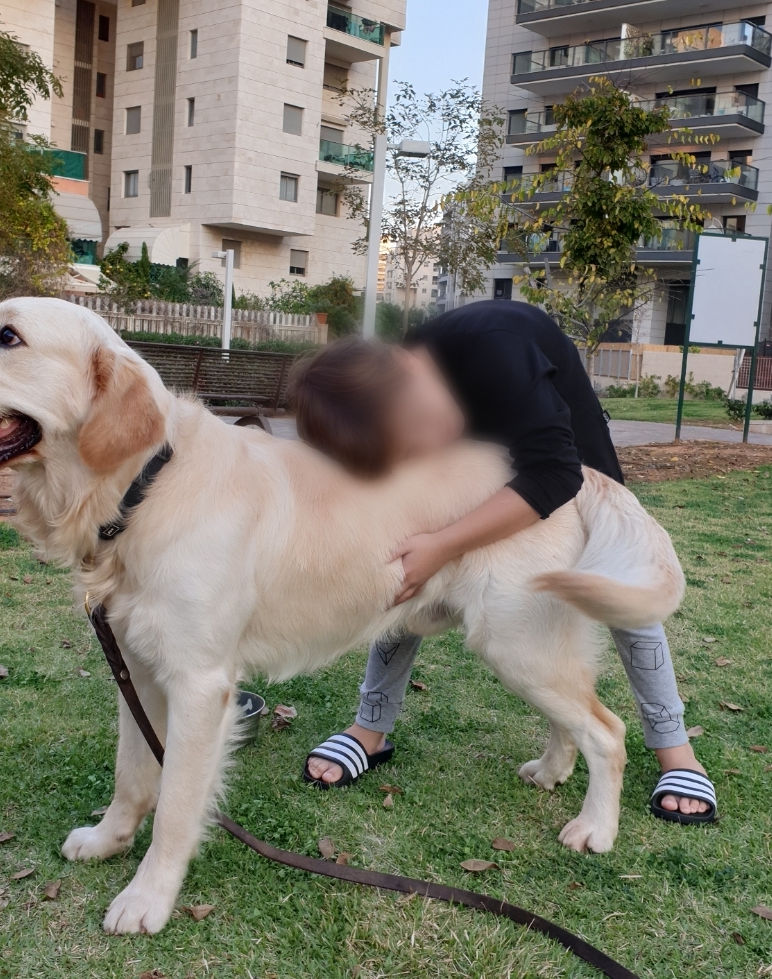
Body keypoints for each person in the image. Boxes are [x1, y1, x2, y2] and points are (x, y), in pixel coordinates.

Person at [288, 299, 716, 825]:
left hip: (564, 452)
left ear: (404, 370)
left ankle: (675, 750)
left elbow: (557, 474)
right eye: (406, 448)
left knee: (612, 578)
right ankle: (370, 728)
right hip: (487, 461)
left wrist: (443, 544)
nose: (427, 445)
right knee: (414, 561)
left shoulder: (495, 346)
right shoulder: (407, 380)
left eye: (416, 425)